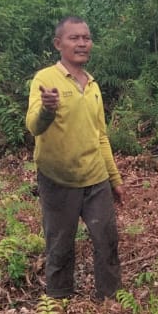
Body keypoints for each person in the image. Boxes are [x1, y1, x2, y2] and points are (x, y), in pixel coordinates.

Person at [26, 16, 124, 299]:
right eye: (74, 38)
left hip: (96, 178)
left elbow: (100, 136)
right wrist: (47, 110)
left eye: (86, 38)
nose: (82, 43)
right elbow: (33, 126)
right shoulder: (45, 79)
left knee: (107, 241)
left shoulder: (93, 85)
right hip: (58, 179)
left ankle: (110, 300)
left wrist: (115, 179)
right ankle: (59, 302)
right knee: (59, 245)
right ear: (58, 44)